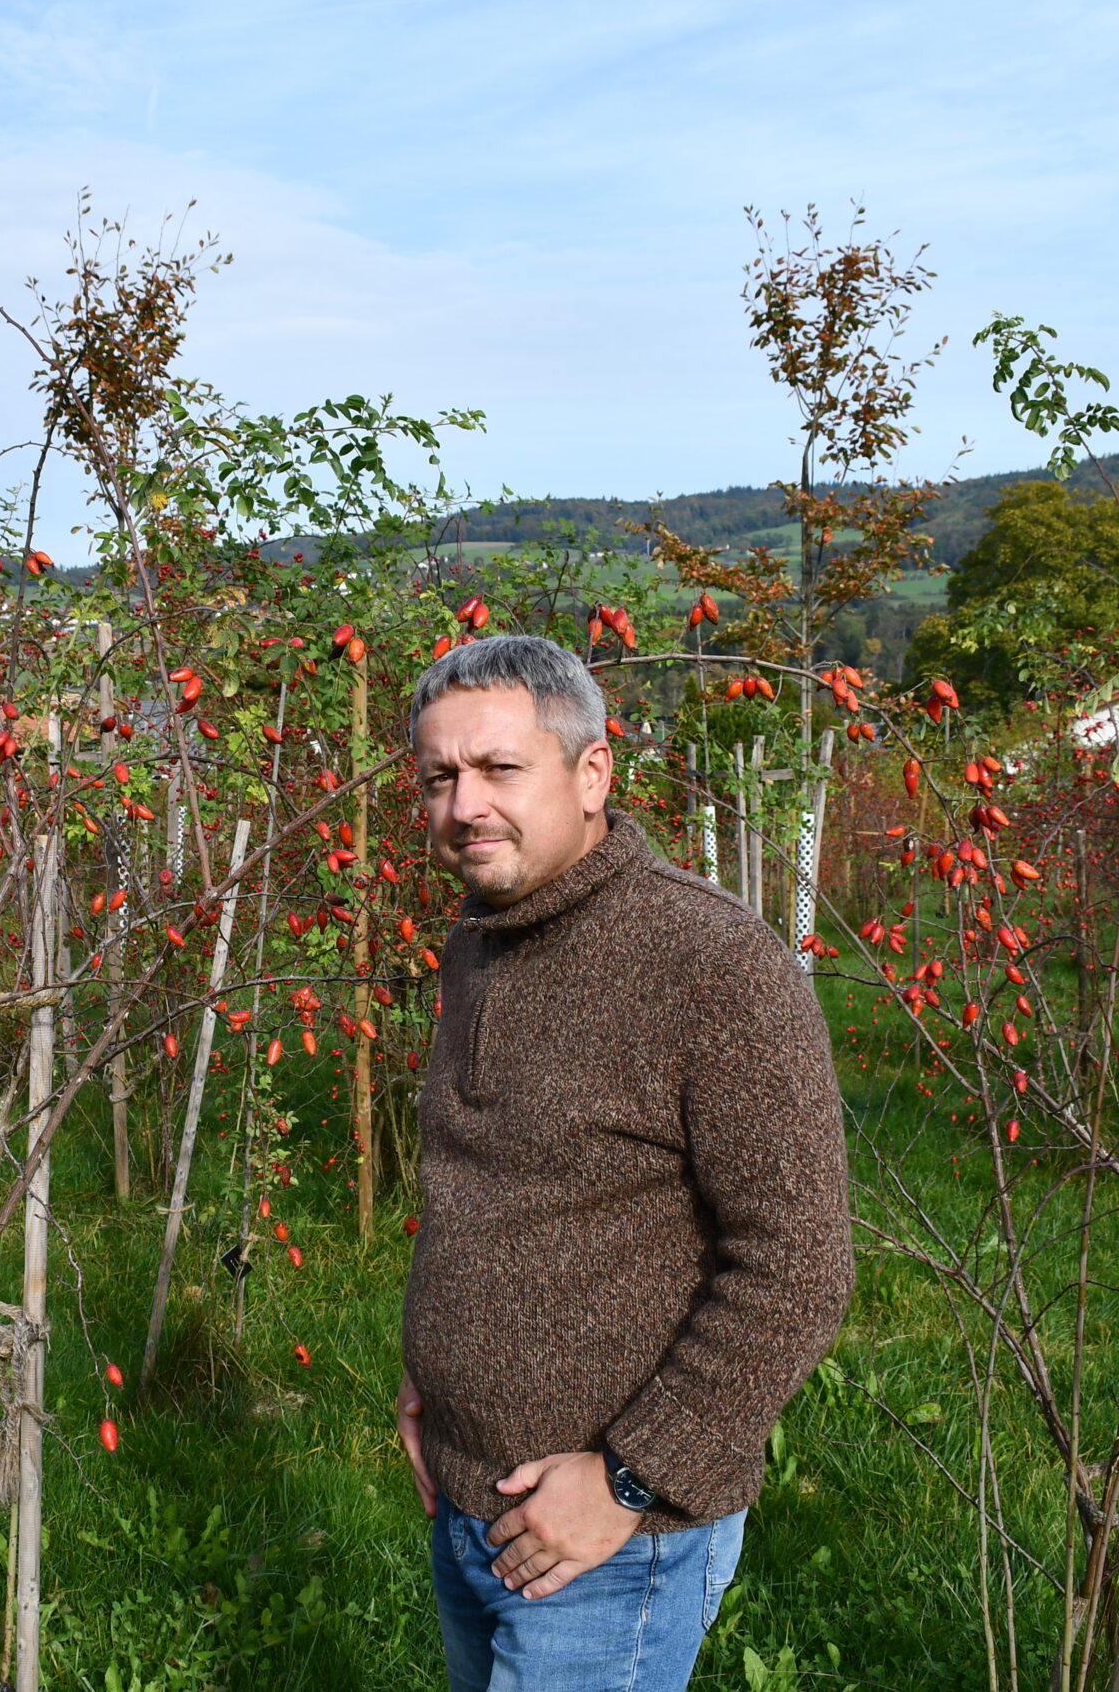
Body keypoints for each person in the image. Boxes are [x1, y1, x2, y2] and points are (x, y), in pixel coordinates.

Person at [396, 634, 853, 1692]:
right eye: (438, 777)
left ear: (591, 772)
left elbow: (798, 1267)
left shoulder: (711, 965)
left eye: (499, 769)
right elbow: (495, 1191)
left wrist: (630, 1478)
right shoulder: (479, 942)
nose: (462, 806)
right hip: (468, 1500)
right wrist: (436, 1375)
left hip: (609, 1542)